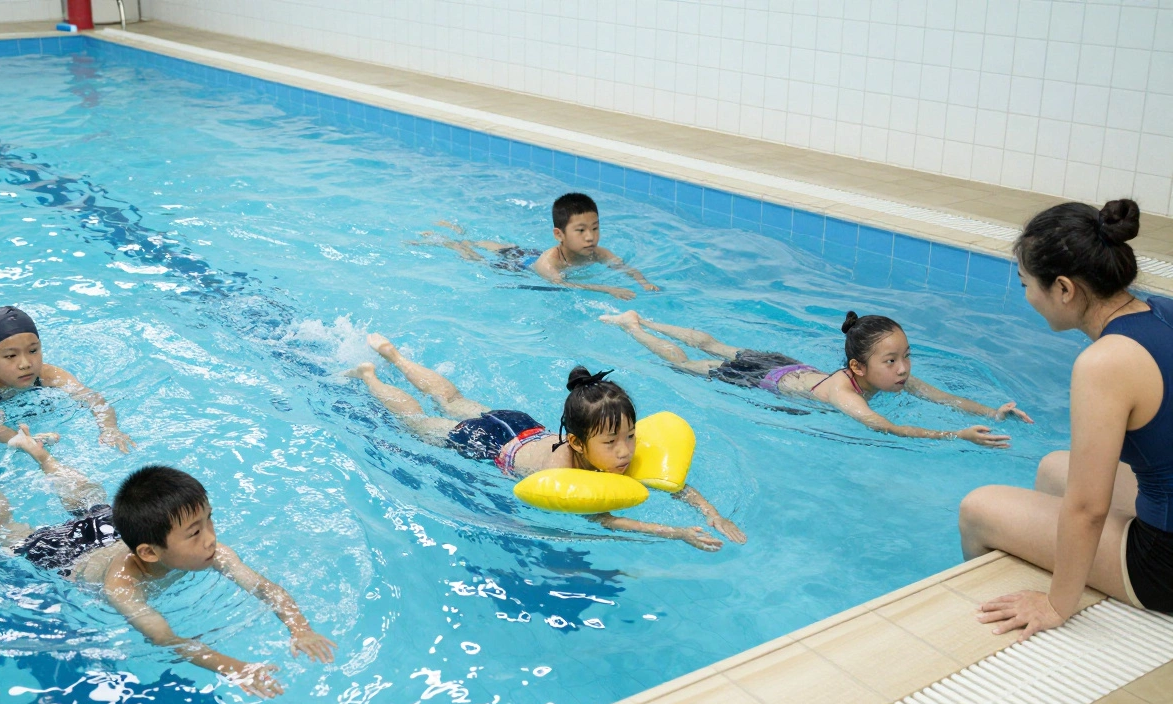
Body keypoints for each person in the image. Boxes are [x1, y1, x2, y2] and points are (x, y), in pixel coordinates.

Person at [0, 428, 337, 698]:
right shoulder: (121, 586)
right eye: (194, 532)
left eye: (209, 520)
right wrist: (231, 665)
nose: (211, 538)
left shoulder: (210, 551)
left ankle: (41, 453)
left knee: (92, 501)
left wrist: (299, 628)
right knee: (2, 534)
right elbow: (165, 638)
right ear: (150, 554)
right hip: (69, 556)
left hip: (115, 529)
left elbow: (264, 587)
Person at [959, 199, 1173, 640]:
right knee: (1054, 466)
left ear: (1063, 288)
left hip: (1164, 561)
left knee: (978, 509)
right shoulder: (1163, 312)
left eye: (1026, 284)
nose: (1027, 297)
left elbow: (1088, 508)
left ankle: (998, 630)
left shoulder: (1105, 362)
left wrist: (1058, 604)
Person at [345, 333, 745, 551]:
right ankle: (371, 374)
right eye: (611, 442)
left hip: (522, 425)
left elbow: (672, 485)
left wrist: (711, 513)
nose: (625, 451)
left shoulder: (607, 450)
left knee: (453, 399)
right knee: (419, 422)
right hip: (488, 441)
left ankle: (395, 355)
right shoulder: (563, 469)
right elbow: (603, 519)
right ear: (577, 443)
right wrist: (676, 533)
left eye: (630, 436)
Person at [600, 309, 1032, 447]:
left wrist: (991, 412)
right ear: (858, 368)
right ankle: (635, 327)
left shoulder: (891, 378)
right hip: (762, 379)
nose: (902, 369)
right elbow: (886, 426)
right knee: (685, 363)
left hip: (785, 364)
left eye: (906, 358)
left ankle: (647, 319)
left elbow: (943, 396)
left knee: (713, 342)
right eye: (891, 361)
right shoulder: (847, 392)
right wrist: (958, 436)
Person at [0, 306, 134, 452]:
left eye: (33, 351)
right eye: (10, 356)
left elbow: (92, 398)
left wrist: (109, 428)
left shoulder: (47, 374)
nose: (25, 364)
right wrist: (24, 441)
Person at [416, 193, 660, 300]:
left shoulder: (598, 253)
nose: (590, 237)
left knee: (505, 245)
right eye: (581, 230)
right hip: (519, 267)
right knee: (476, 259)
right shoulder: (549, 263)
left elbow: (623, 266)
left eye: (595, 228)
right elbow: (562, 283)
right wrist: (607, 289)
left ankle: (461, 234)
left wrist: (643, 282)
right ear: (559, 234)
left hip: (528, 253)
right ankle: (449, 241)